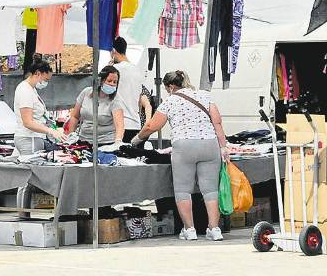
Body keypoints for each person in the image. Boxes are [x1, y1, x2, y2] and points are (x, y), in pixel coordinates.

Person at [131, 70, 230, 242]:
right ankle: (214, 229)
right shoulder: (205, 96)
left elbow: (151, 126)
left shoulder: (170, 101)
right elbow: (217, 122)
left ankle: (189, 230)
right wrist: (223, 147)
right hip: (209, 144)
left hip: (184, 146)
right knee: (211, 189)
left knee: (183, 190)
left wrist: (135, 140)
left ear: (170, 87)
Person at [13, 59, 67, 155]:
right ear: (37, 73)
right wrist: (50, 131)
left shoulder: (31, 90)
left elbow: (39, 116)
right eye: (46, 80)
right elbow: (28, 122)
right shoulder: (25, 91)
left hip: (34, 138)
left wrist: (53, 127)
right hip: (29, 138)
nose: (46, 83)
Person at [66, 65, 125, 145]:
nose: (112, 84)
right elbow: (75, 116)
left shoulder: (116, 99)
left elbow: (119, 125)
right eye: (109, 81)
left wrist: (118, 142)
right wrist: (70, 136)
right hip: (83, 140)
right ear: (101, 80)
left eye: (115, 82)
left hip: (105, 142)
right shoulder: (86, 92)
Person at [110, 37, 144, 143]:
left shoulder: (114, 70)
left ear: (113, 51)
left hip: (118, 125)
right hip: (135, 124)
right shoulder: (137, 70)